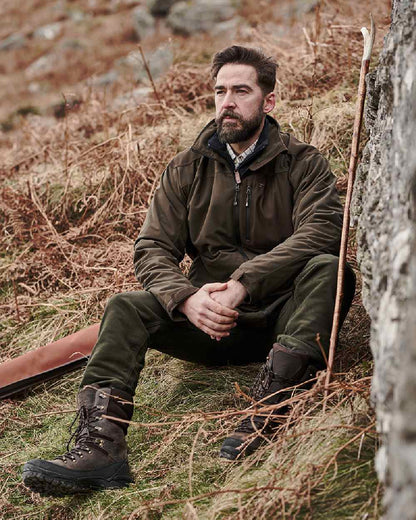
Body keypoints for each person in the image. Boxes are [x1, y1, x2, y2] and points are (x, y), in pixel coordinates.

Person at [22, 45, 355, 495]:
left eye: (241, 90)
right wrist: (186, 298)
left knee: (330, 269)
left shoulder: (304, 164)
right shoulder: (185, 169)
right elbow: (152, 248)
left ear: (268, 101)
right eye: (220, 91)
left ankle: (270, 407)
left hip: (282, 317)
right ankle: (100, 450)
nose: (227, 102)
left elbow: (322, 232)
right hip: (207, 325)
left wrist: (244, 284)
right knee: (124, 306)